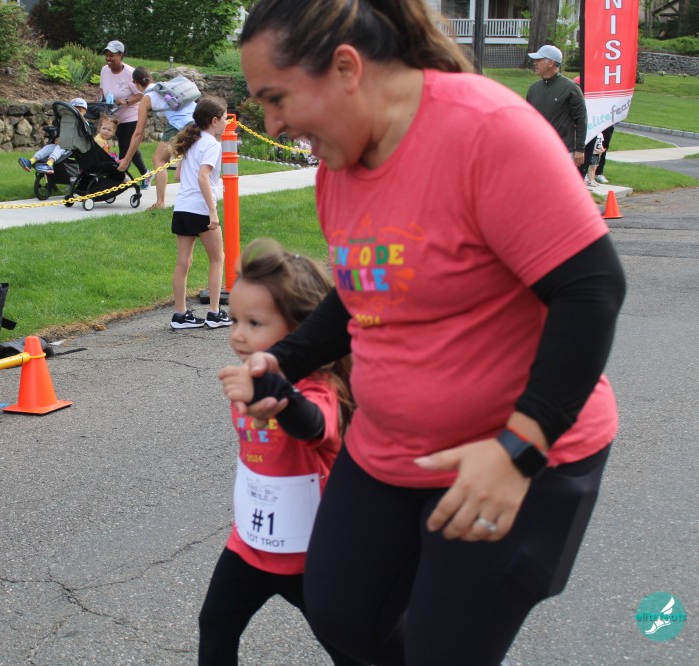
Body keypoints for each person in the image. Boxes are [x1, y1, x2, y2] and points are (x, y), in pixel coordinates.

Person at [233, 1, 626, 664]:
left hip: (513, 455)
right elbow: (364, 291)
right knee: (343, 617)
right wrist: (285, 361)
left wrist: (519, 448)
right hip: (389, 452)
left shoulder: (486, 131)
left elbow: (592, 290)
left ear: (347, 68)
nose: (271, 124)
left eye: (276, 98)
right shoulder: (339, 165)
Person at [201, 238, 355, 665]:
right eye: (234, 319)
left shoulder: (320, 389)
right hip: (250, 543)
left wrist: (279, 394)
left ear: (303, 327)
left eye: (255, 323)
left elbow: (312, 424)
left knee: (349, 648)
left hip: (311, 556)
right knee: (215, 628)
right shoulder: (247, 380)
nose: (238, 334)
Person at [167, 97, 231, 330]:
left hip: (183, 208)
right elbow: (203, 177)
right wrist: (213, 212)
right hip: (201, 209)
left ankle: (180, 314)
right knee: (218, 258)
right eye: (225, 118)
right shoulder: (212, 144)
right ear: (214, 121)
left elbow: (178, 176)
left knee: (183, 263)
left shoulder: (191, 141)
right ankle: (214, 313)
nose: (226, 123)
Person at [118, 67, 198, 211]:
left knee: (159, 160)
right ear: (150, 78)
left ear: (136, 83)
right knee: (191, 160)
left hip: (179, 124)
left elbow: (138, 134)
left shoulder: (146, 98)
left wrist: (126, 160)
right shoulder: (165, 87)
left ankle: (160, 203)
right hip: (199, 119)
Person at [527, 45, 587, 166]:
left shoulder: (570, 88)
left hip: (563, 151)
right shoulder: (533, 89)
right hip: (537, 150)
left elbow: (581, 119)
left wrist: (580, 149)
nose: (535, 63)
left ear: (551, 63)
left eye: (539, 60)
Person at [99, 40, 149, 184]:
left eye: (111, 56)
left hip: (130, 115)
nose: (108, 58)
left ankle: (122, 179)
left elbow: (141, 94)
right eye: (107, 55)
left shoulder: (130, 73)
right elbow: (102, 89)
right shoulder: (104, 70)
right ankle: (143, 175)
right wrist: (101, 101)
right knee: (128, 148)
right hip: (113, 116)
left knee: (125, 148)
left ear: (120, 55)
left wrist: (126, 101)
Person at [18, 98, 89, 175]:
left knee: (60, 147)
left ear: (85, 112)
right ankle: (31, 161)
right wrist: (59, 138)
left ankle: (49, 163)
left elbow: (83, 138)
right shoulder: (66, 123)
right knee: (48, 147)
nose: (77, 112)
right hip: (63, 143)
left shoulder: (84, 124)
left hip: (74, 146)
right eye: (75, 110)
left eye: (80, 111)